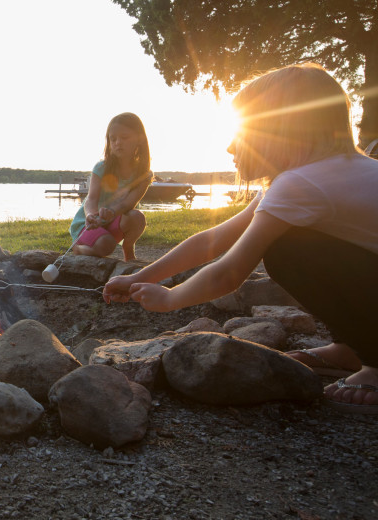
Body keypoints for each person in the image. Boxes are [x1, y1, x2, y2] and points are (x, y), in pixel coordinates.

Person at [103, 64, 378, 414]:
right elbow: (213, 240)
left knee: (285, 250)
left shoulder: (301, 184)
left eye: (243, 132)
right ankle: (353, 348)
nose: (231, 145)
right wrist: (138, 277)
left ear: (282, 131)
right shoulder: (318, 176)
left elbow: (230, 272)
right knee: (296, 245)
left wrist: (170, 299)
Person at [70, 112, 153, 261]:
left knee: (137, 217)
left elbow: (129, 203)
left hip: (113, 220)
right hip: (88, 225)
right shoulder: (101, 168)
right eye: (113, 139)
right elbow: (91, 198)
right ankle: (79, 248)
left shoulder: (144, 175)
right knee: (106, 245)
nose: (118, 142)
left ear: (140, 139)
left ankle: (128, 251)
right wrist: (90, 215)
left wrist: (112, 212)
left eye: (124, 137)